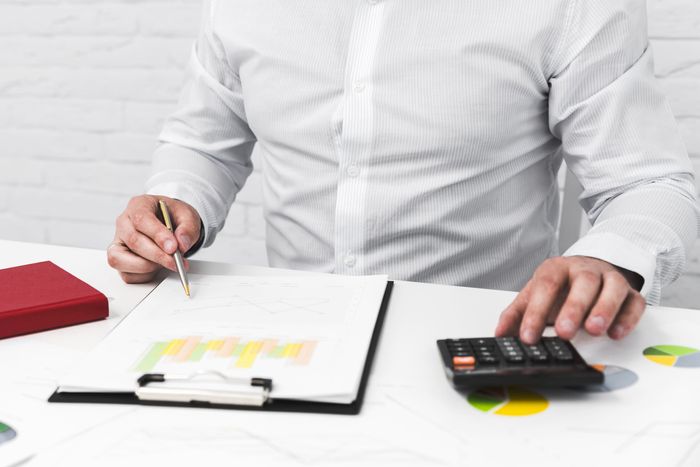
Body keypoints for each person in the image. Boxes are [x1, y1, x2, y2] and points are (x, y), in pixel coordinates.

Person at [108, 1, 699, 345]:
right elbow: (204, 145)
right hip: (293, 340)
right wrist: (173, 205)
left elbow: (647, 182)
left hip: (479, 344)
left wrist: (606, 260)